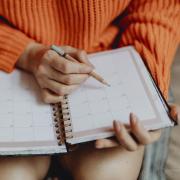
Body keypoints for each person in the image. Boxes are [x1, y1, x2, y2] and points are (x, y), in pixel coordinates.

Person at [0, 0, 179, 180]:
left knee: (110, 174)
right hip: (11, 67)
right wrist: (27, 52)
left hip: (110, 58)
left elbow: (159, 8)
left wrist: (145, 85)